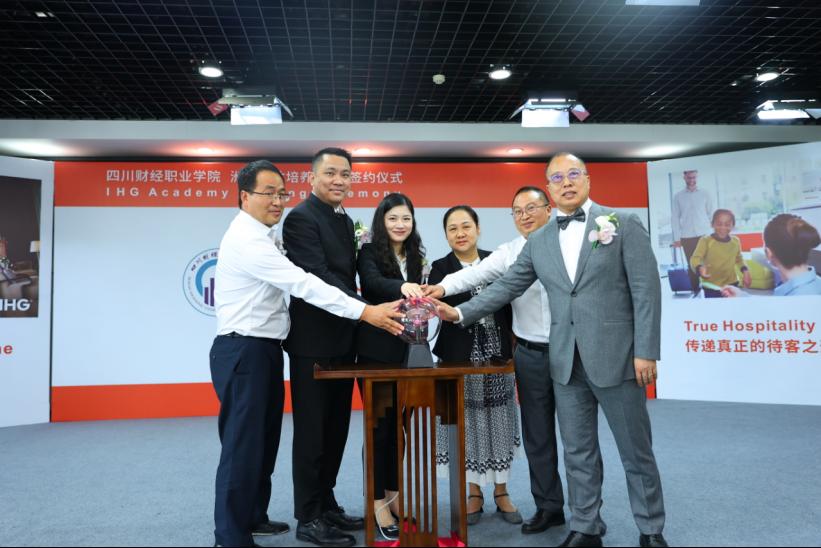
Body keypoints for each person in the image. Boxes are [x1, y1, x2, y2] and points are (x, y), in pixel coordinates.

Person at [436, 153, 668, 548]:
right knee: (578, 452)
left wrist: (646, 351)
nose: (566, 182)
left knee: (635, 450)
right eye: (557, 177)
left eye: (573, 174)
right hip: (564, 363)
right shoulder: (539, 240)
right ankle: (586, 527)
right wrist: (458, 312)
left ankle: (651, 530)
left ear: (587, 179)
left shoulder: (621, 223)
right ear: (550, 188)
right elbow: (506, 285)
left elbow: (646, 291)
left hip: (617, 359)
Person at [210, 160, 403, 548]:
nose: (277, 201)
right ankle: (233, 536)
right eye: (268, 193)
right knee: (246, 444)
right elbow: (306, 282)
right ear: (244, 196)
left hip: (270, 346)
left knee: (271, 439)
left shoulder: (275, 232)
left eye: (281, 193)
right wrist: (366, 311)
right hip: (248, 347)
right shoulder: (254, 237)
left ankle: (259, 515)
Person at [425, 188, 566, 534]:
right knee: (513, 433)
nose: (460, 233)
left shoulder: (563, 245)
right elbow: (469, 279)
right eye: (517, 211)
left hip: (516, 356)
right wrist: (439, 291)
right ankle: (491, 495)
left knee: (573, 436)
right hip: (473, 359)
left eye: (466, 226)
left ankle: (515, 495)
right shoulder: (501, 256)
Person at [284, 147, 370, 547]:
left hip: (343, 338)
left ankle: (327, 502)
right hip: (313, 342)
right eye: (331, 172)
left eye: (346, 174)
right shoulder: (300, 218)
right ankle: (308, 516)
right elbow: (317, 276)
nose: (339, 180)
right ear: (312, 177)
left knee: (336, 428)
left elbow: (348, 274)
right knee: (312, 432)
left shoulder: (345, 219)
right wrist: (364, 308)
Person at [426, 205, 519, 526]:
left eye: (466, 226)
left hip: (497, 355)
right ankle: (474, 493)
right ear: (446, 235)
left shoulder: (498, 261)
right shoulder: (440, 269)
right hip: (459, 357)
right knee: (467, 426)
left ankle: (502, 492)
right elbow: (442, 308)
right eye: (452, 228)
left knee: (500, 422)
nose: (460, 233)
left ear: (478, 229)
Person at [356, 193, 427, 540]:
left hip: (408, 353)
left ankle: (394, 495)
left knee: (399, 429)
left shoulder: (416, 254)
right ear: (381, 222)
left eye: (406, 218)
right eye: (393, 218)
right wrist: (403, 286)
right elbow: (372, 284)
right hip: (376, 353)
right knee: (378, 429)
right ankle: (376, 502)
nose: (400, 224)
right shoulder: (369, 251)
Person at [723, 214, 821, 297]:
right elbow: (772, 306)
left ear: (768, 253)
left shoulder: (796, 300)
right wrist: (742, 296)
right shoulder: (814, 283)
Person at [689, 209, 751, 298]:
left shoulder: (735, 241)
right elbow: (695, 258)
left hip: (732, 284)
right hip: (711, 286)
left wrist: (745, 271)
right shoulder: (705, 240)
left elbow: (739, 259)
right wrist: (699, 267)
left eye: (727, 225)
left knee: (731, 306)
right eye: (719, 224)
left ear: (733, 226)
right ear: (712, 224)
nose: (723, 228)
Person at [671, 169, 713, 294]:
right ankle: (696, 291)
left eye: (694, 177)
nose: (692, 180)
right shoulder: (678, 196)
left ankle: (709, 288)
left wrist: (713, 233)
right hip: (687, 236)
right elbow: (675, 218)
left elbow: (711, 213)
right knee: (692, 265)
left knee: (707, 262)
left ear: (697, 177)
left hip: (704, 234)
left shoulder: (705, 193)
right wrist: (677, 238)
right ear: (684, 177)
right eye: (689, 178)